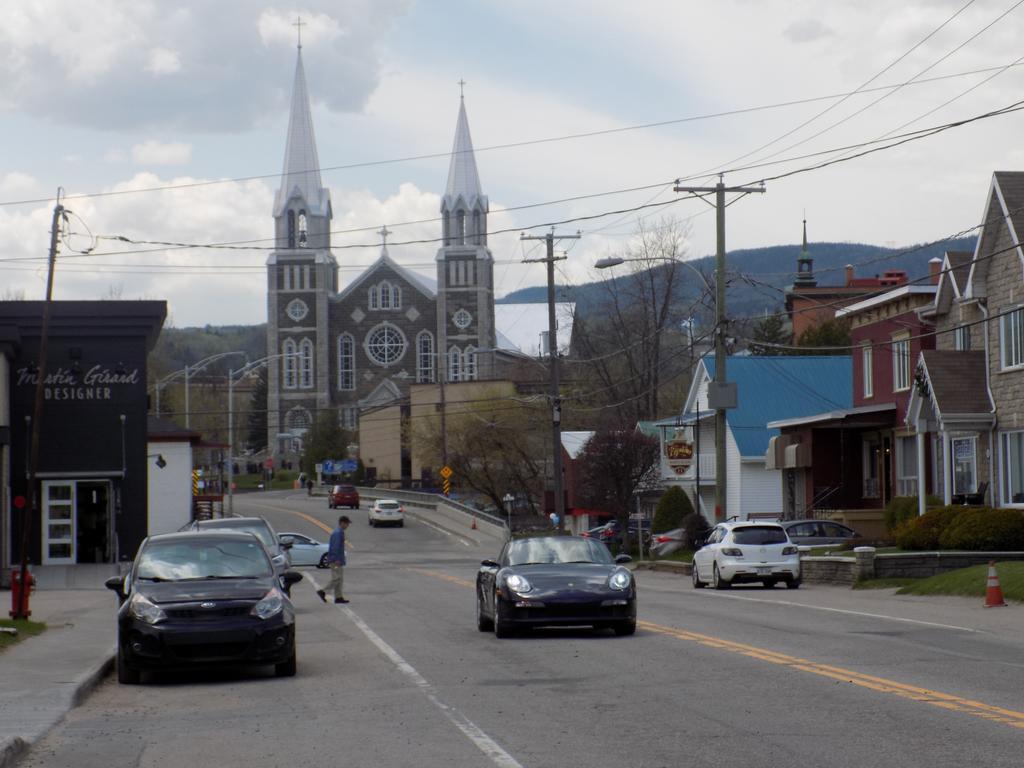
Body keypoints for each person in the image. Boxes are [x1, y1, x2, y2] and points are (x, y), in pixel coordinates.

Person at [318, 516, 350, 604]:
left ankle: (339, 597)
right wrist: (336, 559)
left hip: (338, 559)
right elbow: (335, 547)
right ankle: (323, 591)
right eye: (347, 523)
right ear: (342, 523)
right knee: (336, 578)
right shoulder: (337, 533)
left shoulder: (340, 532)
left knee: (340, 579)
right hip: (335, 560)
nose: (347, 525)